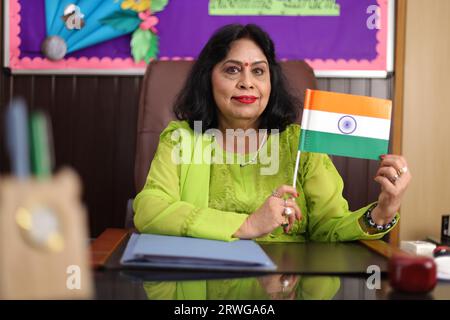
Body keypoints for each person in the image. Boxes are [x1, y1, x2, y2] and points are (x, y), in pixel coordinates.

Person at [133, 24, 411, 242]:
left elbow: (330, 226)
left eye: (258, 71)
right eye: (232, 70)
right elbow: (149, 209)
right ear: (208, 79)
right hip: (201, 280)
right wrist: (248, 225)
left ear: (270, 83)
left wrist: (381, 213)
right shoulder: (183, 138)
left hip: (287, 282)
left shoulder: (299, 143)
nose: (247, 83)